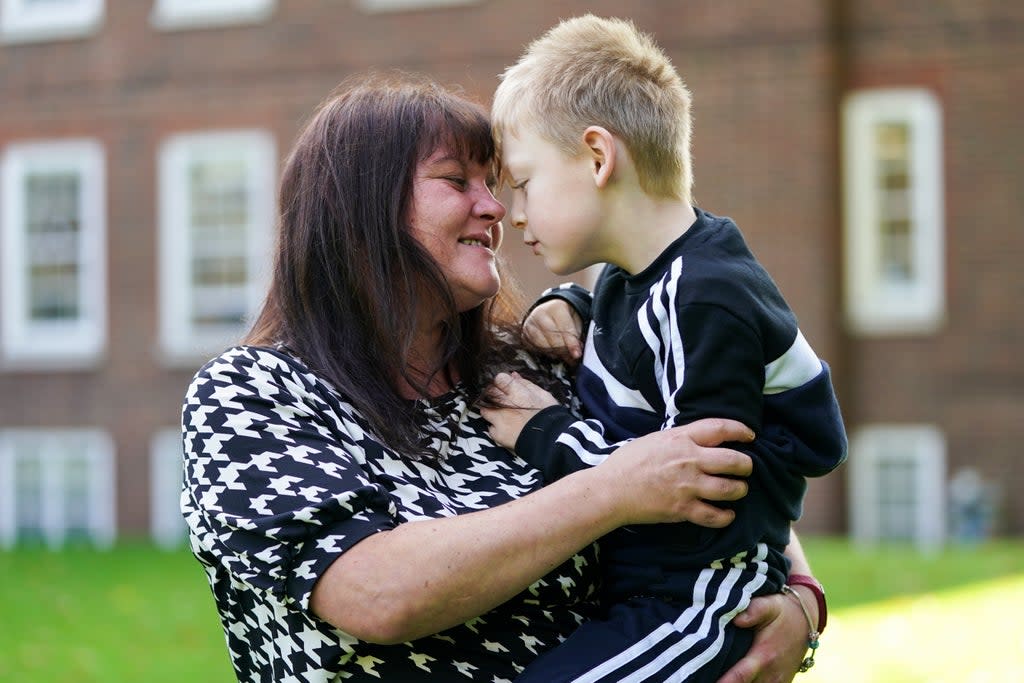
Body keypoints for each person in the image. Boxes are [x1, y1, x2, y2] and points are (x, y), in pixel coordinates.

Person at [180, 72, 823, 683]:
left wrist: (800, 601)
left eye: (498, 181)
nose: (496, 209)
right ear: (358, 210)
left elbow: (703, 464)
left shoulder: (537, 361)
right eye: (457, 180)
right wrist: (612, 489)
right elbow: (374, 593)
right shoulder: (251, 394)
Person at [482, 14, 846, 683]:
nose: (516, 213)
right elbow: (640, 333)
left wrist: (543, 431)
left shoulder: (707, 299)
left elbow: (692, 485)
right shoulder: (641, 274)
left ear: (598, 157)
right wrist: (575, 303)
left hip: (702, 602)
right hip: (651, 594)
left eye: (525, 182)